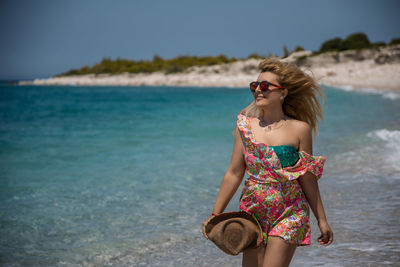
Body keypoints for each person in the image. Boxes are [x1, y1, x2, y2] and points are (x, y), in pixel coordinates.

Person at [202, 57, 333, 267]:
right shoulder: (244, 126)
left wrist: (322, 220)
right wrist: (216, 215)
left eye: (265, 86)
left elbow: (307, 178)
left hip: (290, 210)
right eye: (254, 86)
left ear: (283, 92)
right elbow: (235, 172)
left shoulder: (300, 129)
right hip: (253, 211)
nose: (258, 91)